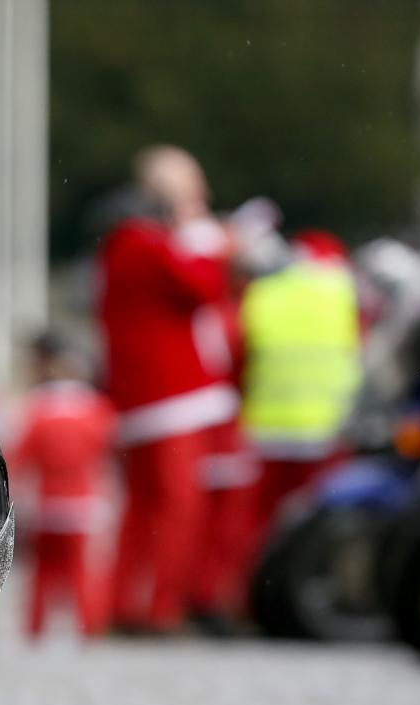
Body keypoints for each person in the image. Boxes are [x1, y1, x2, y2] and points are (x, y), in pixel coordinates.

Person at [97, 145, 235, 635]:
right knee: (178, 508)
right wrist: (208, 241)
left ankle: (125, 605)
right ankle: (159, 608)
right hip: (173, 398)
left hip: (147, 398)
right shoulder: (145, 243)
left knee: (143, 508)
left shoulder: (128, 242)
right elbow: (204, 286)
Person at [235, 230, 363, 607]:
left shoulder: (263, 292)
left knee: (258, 521)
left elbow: (240, 352)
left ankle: (248, 601)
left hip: (267, 425)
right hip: (327, 425)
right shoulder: (343, 290)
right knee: (318, 522)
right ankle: (305, 596)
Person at [10, 331, 115, 639]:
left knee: (43, 571)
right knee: (82, 572)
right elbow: (106, 452)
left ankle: (35, 629)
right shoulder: (97, 410)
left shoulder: (37, 409)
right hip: (83, 503)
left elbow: (20, 458)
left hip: (46, 504)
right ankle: (91, 627)